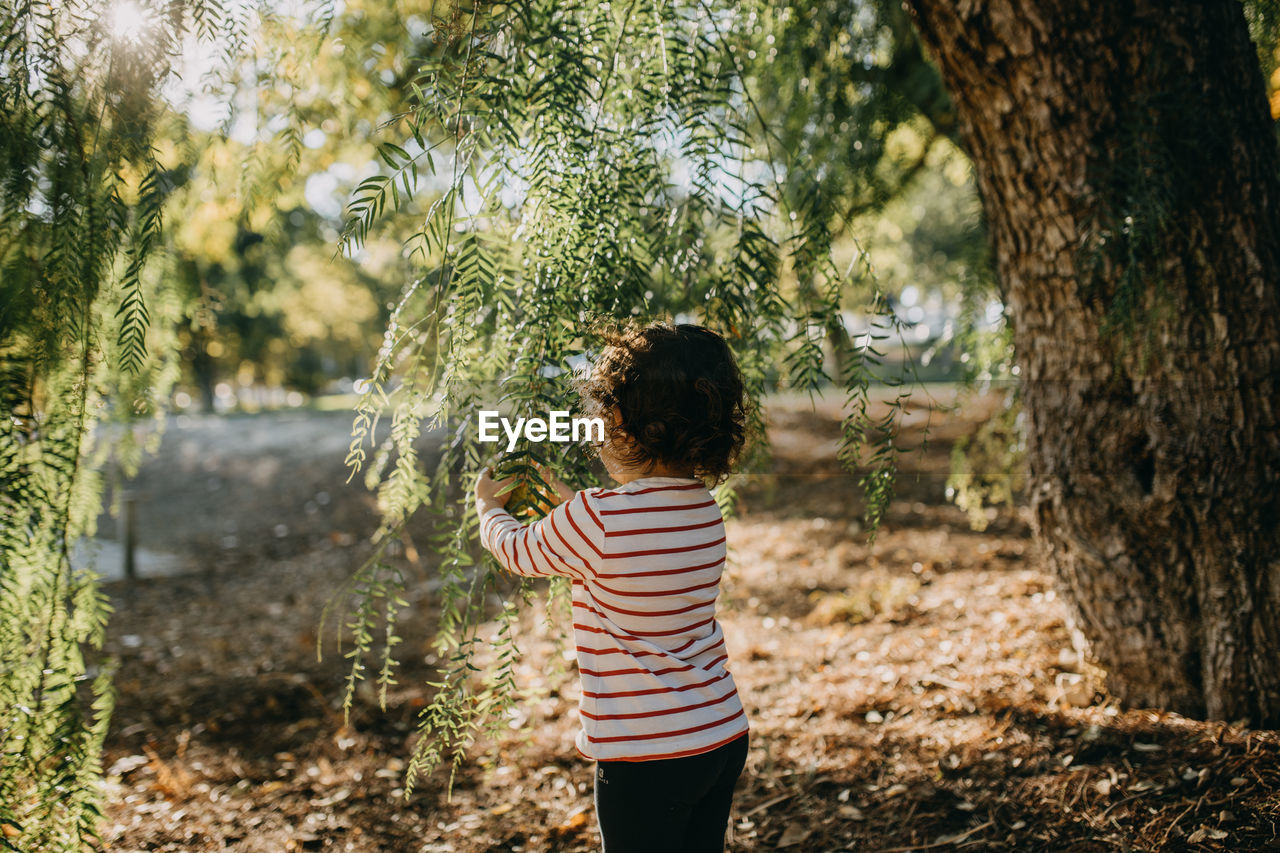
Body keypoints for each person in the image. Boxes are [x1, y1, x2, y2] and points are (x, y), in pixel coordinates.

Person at [474, 321, 752, 853]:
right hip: (718, 733)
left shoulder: (596, 519)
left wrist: (488, 509)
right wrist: (578, 512)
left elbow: (517, 551)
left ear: (619, 425)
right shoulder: (704, 511)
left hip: (646, 754)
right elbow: (637, 548)